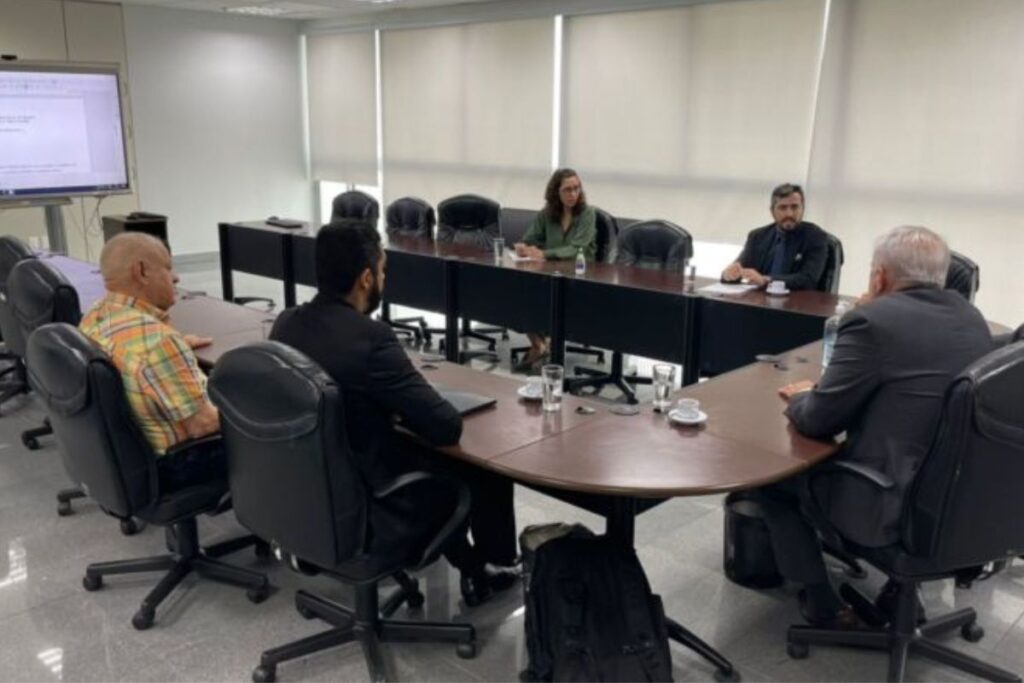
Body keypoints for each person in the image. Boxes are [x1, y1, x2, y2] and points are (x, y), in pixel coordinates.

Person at [753, 225, 994, 627]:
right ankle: (901, 591)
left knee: (771, 483)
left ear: (879, 276)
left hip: (888, 503)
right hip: (955, 502)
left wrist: (799, 396)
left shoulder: (871, 321)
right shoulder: (971, 317)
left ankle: (822, 603)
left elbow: (817, 420)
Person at [270, 220, 519, 606]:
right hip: (371, 501)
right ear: (367, 278)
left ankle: (473, 566)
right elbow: (445, 427)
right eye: (384, 270)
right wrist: (404, 403)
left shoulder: (285, 325)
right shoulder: (372, 340)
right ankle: (493, 567)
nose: (386, 278)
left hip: (309, 494)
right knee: (480, 466)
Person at [79, 233, 221, 490]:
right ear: (142, 272)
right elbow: (204, 426)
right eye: (168, 268)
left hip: (129, 460)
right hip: (181, 462)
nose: (176, 277)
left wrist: (178, 347)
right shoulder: (158, 344)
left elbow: (133, 354)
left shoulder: (94, 316)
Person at [514, 168, 597, 370]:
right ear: (555, 193)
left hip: (579, 276)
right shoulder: (547, 214)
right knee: (518, 292)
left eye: (576, 188)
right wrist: (524, 246)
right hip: (549, 274)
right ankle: (539, 345)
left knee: (548, 299)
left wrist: (544, 254)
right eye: (567, 190)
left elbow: (576, 248)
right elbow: (530, 237)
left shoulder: (588, 213)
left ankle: (549, 344)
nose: (573, 194)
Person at [722, 183, 829, 291]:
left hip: (797, 304)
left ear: (802, 209)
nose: (789, 214)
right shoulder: (757, 237)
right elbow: (739, 269)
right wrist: (728, 275)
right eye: (783, 208)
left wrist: (766, 280)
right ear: (772, 211)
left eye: (794, 207)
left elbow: (808, 279)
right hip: (759, 302)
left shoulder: (815, 237)